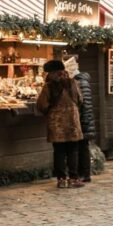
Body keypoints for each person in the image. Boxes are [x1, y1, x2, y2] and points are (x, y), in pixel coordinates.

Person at [37, 59, 85, 188]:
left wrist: (50, 110)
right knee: (73, 151)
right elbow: (80, 99)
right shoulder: (73, 83)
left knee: (59, 152)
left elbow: (42, 105)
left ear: (52, 73)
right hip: (72, 122)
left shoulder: (48, 87)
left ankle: (61, 179)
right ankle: (73, 178)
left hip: (56, 123)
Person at [64, 56, 96, 183]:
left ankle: (84, 174)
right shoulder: (81, 81)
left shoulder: (78, 82)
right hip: (84, 118)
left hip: (83, 119)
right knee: (83, 146)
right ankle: (84, 174)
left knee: (81, 146)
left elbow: (83, 104)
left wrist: (81, 119)